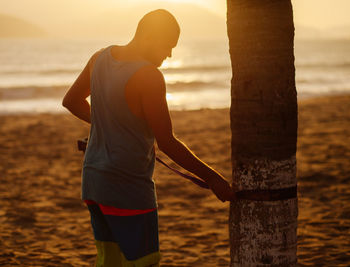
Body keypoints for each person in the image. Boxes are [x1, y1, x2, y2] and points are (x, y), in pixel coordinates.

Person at [62, 9, 233, 267]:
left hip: (94, 183)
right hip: (128, 189)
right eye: (168, 46)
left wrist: (111, 124)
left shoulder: (99, 58)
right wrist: (212, 178)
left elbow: (71, 101)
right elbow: (167, 142)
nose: (169, 54)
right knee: (144, 261)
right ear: (150, 38)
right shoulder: (149, 76)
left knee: (110, 262)